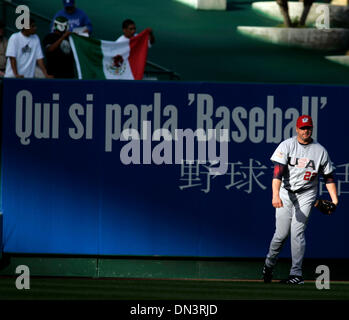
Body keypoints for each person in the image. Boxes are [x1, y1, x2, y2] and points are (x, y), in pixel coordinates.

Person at [262, 115, 338, 284]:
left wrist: (334, 199)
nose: (306, 131)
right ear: (297, 129)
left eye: (308, 128)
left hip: (307, 192)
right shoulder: (287, 145)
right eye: (303, 128)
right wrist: (275, 195)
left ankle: (296, 274)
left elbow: (329, 177)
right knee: (281, 235)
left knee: (298, 233)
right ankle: (269, 264)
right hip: (285, 192)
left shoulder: (320, 150)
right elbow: (277, 173)